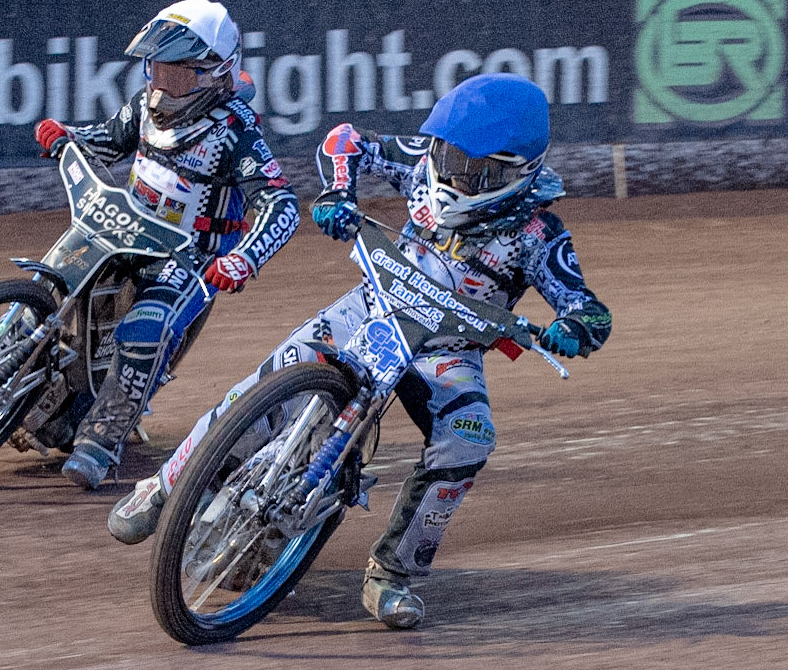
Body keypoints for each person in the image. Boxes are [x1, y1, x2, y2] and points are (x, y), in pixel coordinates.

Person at [107, 72, 612, 629]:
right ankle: (162, 488)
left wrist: (573, 328)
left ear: (515, 172)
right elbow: (344, 140)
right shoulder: (425, 161)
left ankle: (394, 572)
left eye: (474, 170)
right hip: (370, 306)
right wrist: (336, 193)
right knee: (268, 380)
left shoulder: (541, 234)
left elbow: (588, 308)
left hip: (445, 350)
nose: (450, 173)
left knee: (468, 438)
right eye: (447, 155)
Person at [32, 0, 299, 490]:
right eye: (155, 69)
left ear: (214, 73)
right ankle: (21, 375)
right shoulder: (145, 106)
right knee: (49, 282)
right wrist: (66, 136)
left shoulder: (234, 130)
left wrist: (244, 259)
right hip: (123, 229)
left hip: (187, 258)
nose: (160, 85)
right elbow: (108, 141)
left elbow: (281, 204)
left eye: (176, 75)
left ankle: (101, 439)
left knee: (143, 332)